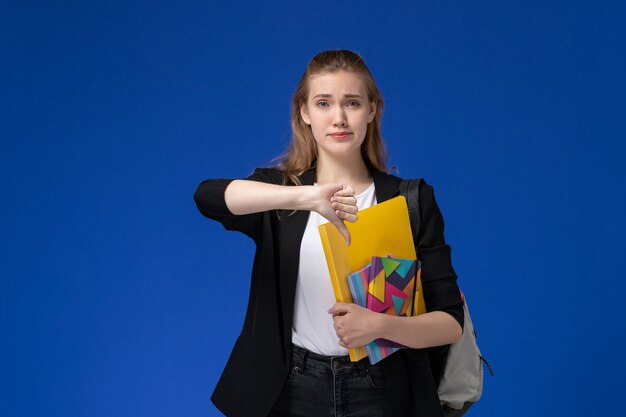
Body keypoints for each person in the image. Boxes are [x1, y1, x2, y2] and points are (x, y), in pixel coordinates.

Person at [194, 50, 464, 417]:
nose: (338, 118)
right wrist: (305, 196)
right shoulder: (281, 194)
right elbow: (208, 197)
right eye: (323, 103)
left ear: (371, 110)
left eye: (351, 103)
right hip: (290, 388)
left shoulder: (409, 199)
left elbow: (450, 323)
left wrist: (381, 325)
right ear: (304, 112)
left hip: (383, 389)